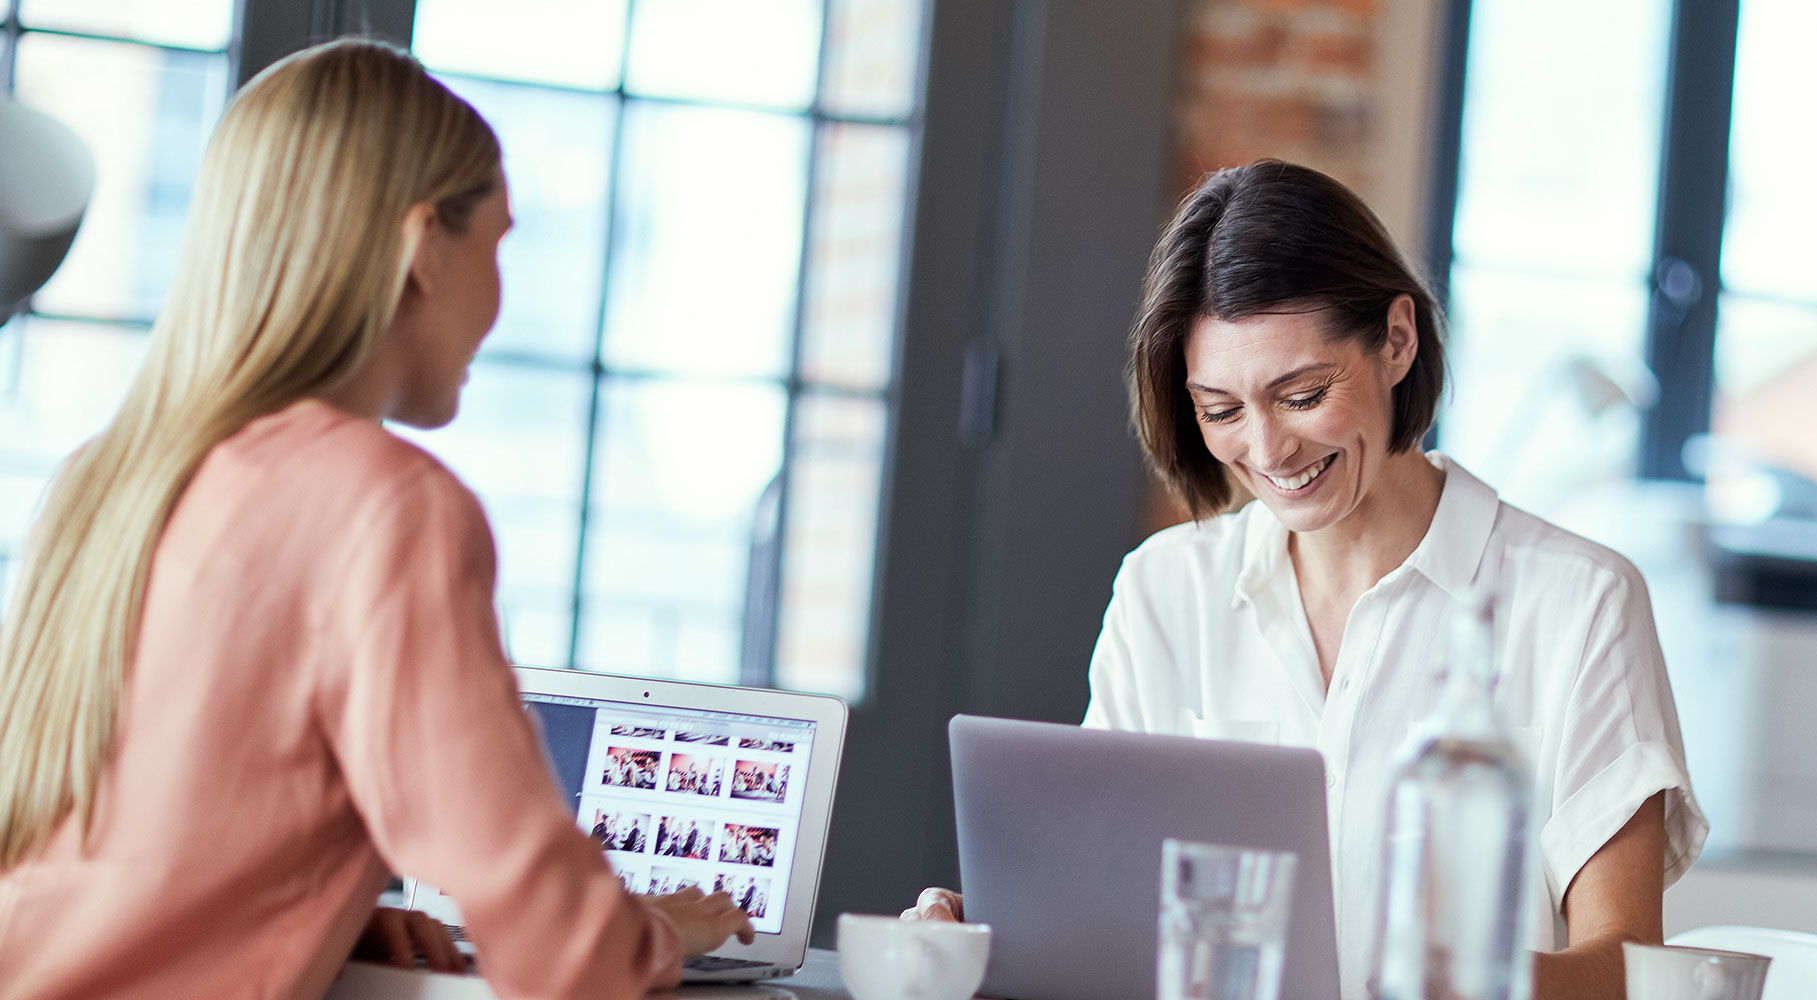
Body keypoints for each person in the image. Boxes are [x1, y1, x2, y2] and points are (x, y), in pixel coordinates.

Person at [0, 40, 751, 1000]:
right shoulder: (389, 507)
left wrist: (327, 900)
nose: (501, 301)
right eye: (499, 243)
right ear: (423, 245)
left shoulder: (101, 483)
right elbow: (558, 946)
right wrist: (655, 933)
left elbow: (107, 837)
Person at [910, 160, 1706, 1000]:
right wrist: (994, 932)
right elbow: (1100, 908)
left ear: (1397, 340)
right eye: (1221, 409)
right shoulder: (1165, 591)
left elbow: (1624, 966)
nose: (1269, 450)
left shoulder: (1579, 603)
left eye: (1301, 393)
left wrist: (1456, 982)